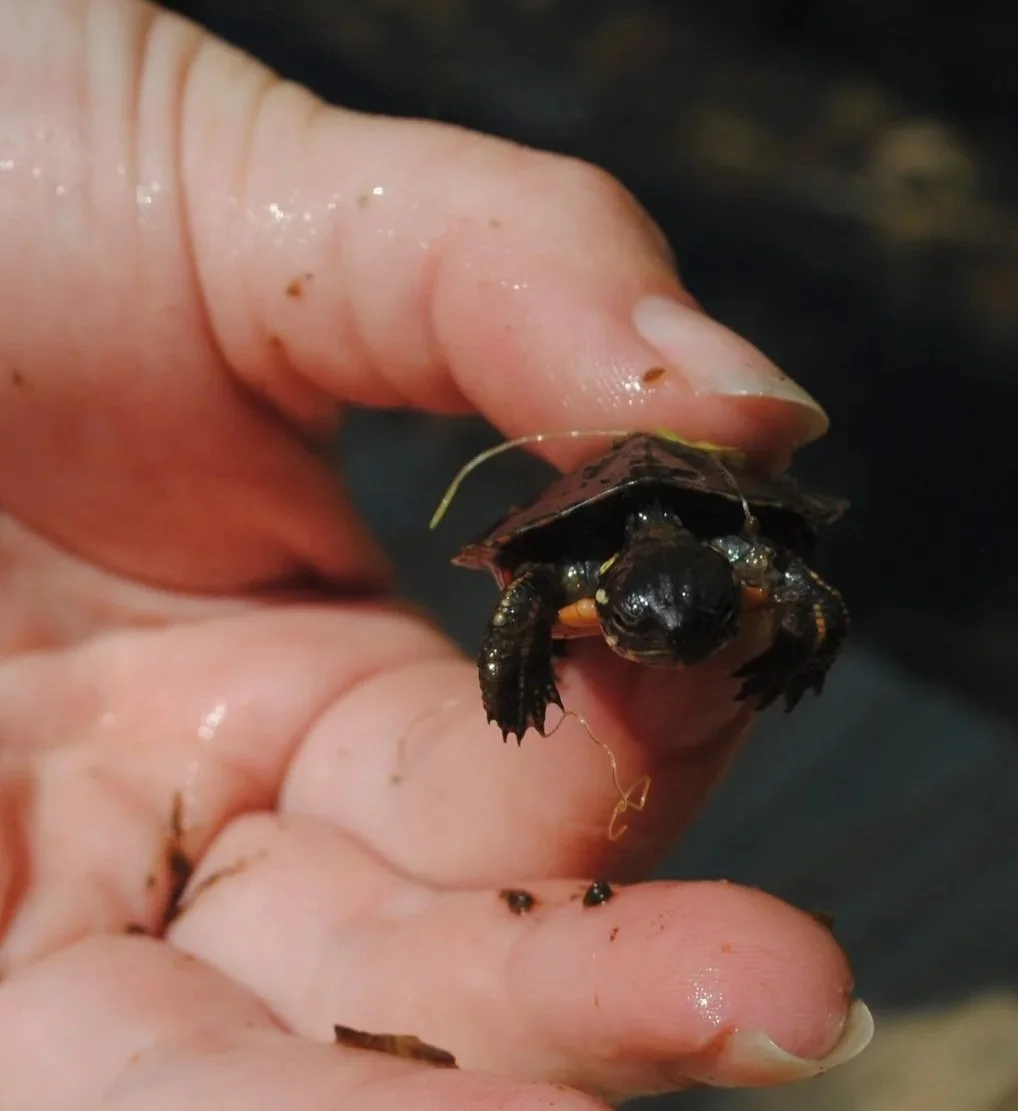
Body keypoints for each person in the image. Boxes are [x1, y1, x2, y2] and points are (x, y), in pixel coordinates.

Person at [0, 1, 871, 1106]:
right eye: (652, 625)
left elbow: (799, 583)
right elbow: (527, 598)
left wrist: (789, 646)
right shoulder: (579, 572)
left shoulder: (743, 561)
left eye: (691, 623)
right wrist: (516, 684)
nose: (665, 639)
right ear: (615, 596)